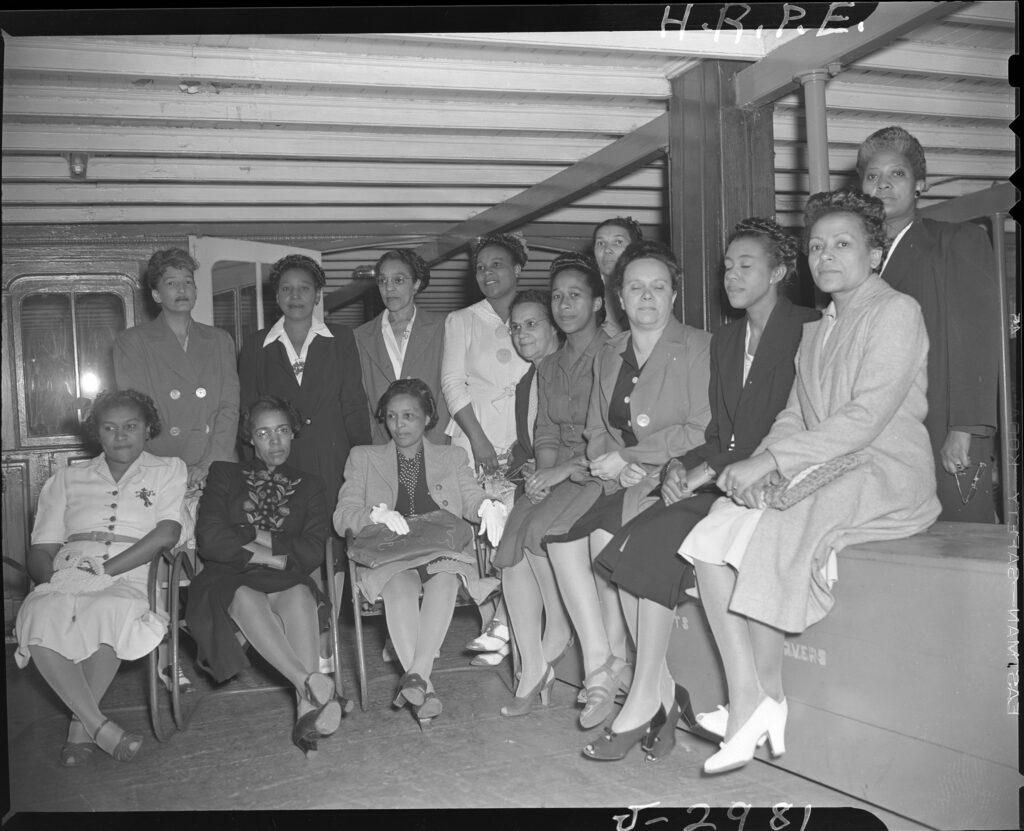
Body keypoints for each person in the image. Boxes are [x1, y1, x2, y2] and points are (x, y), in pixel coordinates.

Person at [681, 189, 940, 775]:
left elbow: (864, 418)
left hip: (884, 469)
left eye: (842, 244)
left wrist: (771, 466)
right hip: (823, 462)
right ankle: (752, 695)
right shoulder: (816, 329)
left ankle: (762, 698)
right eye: (817, 246)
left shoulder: (896, 311)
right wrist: (761, 462)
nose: (826, 255)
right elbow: (796, 414)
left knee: (771, 529)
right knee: (712, 533)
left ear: (874, 255)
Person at [583, 218, 819, 761]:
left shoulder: (808, 327)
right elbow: (718, 434)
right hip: (719, 474)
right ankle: (659, 698)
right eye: (727, 266)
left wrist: (700, 472)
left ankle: (651, 701)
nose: (732, 275)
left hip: (771, 478)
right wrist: (680, 468)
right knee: (631, 542)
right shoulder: (730, 339)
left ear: (780, 271)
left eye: (746, 265)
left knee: (650, 542)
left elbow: (791, 428)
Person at [544, 240, 712, 728]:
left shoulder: (698, 346)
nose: (647, 297)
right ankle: (606, 660)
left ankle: (628, 670)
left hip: (681, 475)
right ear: (618, 297)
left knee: (599, 538)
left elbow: (701, 428)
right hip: (623, 477)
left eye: (658, 287)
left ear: (674, 295)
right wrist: (612, 462)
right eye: (635, 288)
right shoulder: (609, 353)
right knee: (560, 540)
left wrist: (632, 458)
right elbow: (595, 428)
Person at [14, 389, 185, 765]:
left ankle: (81, 726)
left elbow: (168, 534)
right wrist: (53, 580)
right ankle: (97, 725)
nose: (121, 435)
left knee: (110, 607)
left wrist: (102, 574)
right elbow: (41, 549)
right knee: (38, 614)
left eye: (131, 426)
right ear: (97, 432)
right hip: (68, 570)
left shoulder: (168, 469)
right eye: (110, 428)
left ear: (147, 429)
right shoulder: (67, 478)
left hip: (133, 571)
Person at [334, 379, 508, 726]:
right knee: (399, 588)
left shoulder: (452, 456)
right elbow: (342, 517)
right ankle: (423, 686)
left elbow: (471, 498)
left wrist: (489, 505)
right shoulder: (363, 458)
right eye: (393, 417)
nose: (400, 425)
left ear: (428, 418)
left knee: (444, 580)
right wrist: (374, 514)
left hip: (439, 547)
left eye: (410, 416)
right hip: (390, 553)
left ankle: (418, 681)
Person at [185, 396, 347, 757]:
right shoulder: (225, 474)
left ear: (293, 434)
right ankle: (308, 686)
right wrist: (271, 553)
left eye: (282, 431)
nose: (275, 441)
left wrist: (247, 531)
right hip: (228, 576)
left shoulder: (311, 485)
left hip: (285, 575)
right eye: (264, 432)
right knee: (245, 596)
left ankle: (306, 711)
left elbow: (309, 551)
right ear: (250, 438)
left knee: (301, 595)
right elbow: (211, 539)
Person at [857, 126, 1001, 522]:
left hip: (943, 427)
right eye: (872, 176)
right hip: (878, 434)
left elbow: (979, 339)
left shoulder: (957, 241)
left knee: (957, 550)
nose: (882, 185)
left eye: (896, 174)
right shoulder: (855, 262)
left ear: (920, 184)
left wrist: (965, 428)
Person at [113, 247, 239, 692]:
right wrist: (176, 470)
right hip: (162, 470)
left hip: (213, 465)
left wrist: (212, 463)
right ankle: (166, 655)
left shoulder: (219, 340)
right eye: (171, 283)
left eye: (187, 281)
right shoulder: (132, 343)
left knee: (218, 556)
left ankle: (219, 640)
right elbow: (138, 415)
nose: (182, 290)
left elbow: (228, 407)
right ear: (155, 292)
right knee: (163, 568)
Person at [494, 255, 609, 716]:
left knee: (538, 528)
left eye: (574, 295)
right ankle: (532, 666)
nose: (564, 304)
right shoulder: (549, 366)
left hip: (594, 468)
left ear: (598, 302)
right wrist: (541, 474)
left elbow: (613, 437)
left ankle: (557, 632)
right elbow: (544, 431)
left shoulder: (612, 353)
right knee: (511, 543)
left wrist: (559, 473)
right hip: (557, 467)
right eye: (557, 296)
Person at [441, 232, 531, 664]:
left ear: (517, 269)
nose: (488, 273)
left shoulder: (535, 315)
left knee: (520, 530)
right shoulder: (462, 320)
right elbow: (451, 384)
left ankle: (514, 627)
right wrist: (477, 438)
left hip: (527, 438)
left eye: (497, 264)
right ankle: (494, 621)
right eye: (481, 267)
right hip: (477, 439)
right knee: (484, 536)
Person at [238, 254, 371, 520]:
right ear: (276, 296)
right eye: (286, 289)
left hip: (333, 457)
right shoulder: (255, 345)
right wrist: (254, 466)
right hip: (278, 459)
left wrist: (364, 457)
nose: (295, 295)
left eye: (304, 288)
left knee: (335, 540)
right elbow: (247, 412)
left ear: (318, 295)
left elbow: (354, 403)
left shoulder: (342, 339)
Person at [354, 249, 450, 446]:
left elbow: (448, 390)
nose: (389, 288)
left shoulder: (444, 326)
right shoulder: (360, 336)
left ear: (416, 284)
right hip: (384, 447)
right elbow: (362, 401)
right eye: (382, 281)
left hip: (435, 444)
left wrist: (437, 444)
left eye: (398, 280)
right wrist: (378, 447)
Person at [592, 216, 644, 336]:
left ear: (635, 250)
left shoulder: (650, 289)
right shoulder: (586, 293)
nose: (607, 249)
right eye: (601, 243)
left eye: (618, 242)